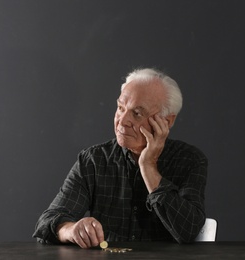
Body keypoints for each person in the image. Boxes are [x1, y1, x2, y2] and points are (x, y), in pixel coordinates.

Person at [33, 68, 208, 248]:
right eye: (121, 108)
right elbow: (47, 221)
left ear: (167, 121)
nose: (122, 121)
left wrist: (148, 166)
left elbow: (189, 230)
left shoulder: (189, 160)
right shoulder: (94, 160)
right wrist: (71, 229)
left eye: (137, 113)